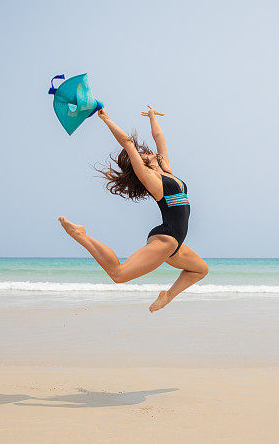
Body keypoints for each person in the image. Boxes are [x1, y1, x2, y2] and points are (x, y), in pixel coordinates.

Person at [58, 105, 208, 312]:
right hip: (166, 239)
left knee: (200, 270)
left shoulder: (166, 171)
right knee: (118, 274)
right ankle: (81, 235)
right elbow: (127, 143)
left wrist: (153, 117)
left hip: (175, 243)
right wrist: (106, 119)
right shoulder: (152, 180)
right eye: (143, 155)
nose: (147, 153)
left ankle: (167, 297)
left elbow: (159, 138)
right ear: (141, 164)